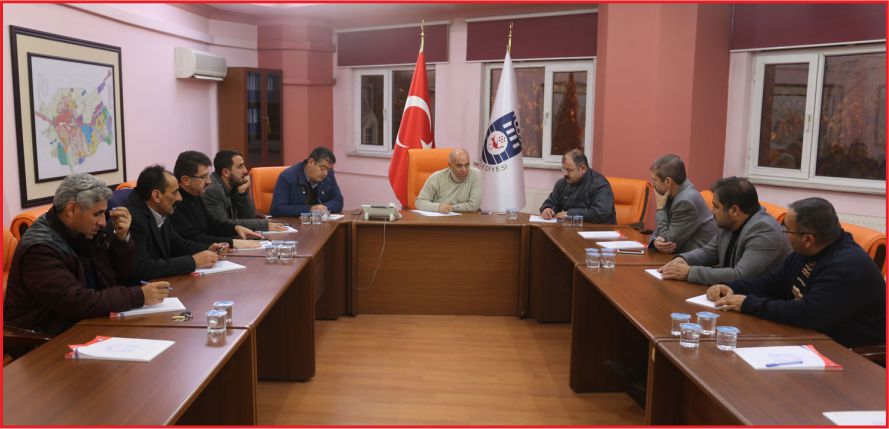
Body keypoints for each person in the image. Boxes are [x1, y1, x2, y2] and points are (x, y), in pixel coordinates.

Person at [4, 173, 170, 336]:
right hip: (45, 338)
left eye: (104, 213)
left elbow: (121, 274)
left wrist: (121, 238)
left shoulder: (84, 232)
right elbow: (75, 302)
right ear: (71, 209)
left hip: (87, 321)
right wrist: (138, 296)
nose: (103, 222)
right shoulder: (40, 248)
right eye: (97, 214)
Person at [707, 198, 885, 348]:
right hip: (806, 336)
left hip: (848, 352)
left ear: (807, 239)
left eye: (787, 230)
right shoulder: (808, 252)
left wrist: (748, 304)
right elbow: (771, 283)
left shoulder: (847, 266)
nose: (784, 235)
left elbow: (809, 313)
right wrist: (731, 287)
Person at [658, 177, 790, 284]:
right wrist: (683, 259)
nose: (712, 211)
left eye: (716, 207)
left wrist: (689, 272)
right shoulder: (730, 222)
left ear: (734, 210)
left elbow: (741, 275)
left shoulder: (764, 231)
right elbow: (709, 252)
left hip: (759, 300)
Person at [125, 165, 224, 280]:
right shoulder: (133, 219)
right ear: (156, 196)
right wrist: (193, 262)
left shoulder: (158, 208)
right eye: (175, 192)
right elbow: (143, 267)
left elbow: (177, 244)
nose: (180, 198)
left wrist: (207, 249)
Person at [169, 151, 262, 248]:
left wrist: (236, 228)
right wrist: (232, 243)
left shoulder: (195, 195)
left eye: (208, 175)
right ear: (186, 180)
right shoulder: (174, 204)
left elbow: (212, 224)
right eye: (203, 177)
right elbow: (192, 238)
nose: (209, 181)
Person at [203, 150, 286, 232]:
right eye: (240, 167)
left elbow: (249, 217)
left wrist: (242, 194)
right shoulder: (213, 190)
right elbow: (223, 224)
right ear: (226, 172)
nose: (245, 171)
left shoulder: (232, 185)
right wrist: (264, 225)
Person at [648, 154, 716, 254]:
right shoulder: (672, 193)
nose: (653, 184)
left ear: (668, 181)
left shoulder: (685, 201)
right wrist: (654, 242)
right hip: (681, 254)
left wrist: (660, 209)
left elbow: (667, 241)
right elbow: (659, 233)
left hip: (697, 258)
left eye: (655, 180)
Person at [540, 149, 616, 224]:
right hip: (572, 228)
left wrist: (569, 214)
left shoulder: (600, 184)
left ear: (582, 169)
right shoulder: (562, 183)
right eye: (563, 169)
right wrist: (547, 209)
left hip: (600, 229)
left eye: (569, 170)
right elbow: (551, 203)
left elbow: (600, 213)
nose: (565, 174)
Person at [270, 146, 344, 217]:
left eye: (328, 169)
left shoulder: (329, 174)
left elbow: (338, 201)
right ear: (311, 162)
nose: (325, 173)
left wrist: (322, 208)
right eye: (322, 168)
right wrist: (309, 209)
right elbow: (277, 209)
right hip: (295, 223)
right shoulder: (287, 177)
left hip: (320, 222)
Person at [414, 148, 482, 213]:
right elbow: (419, 202)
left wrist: (450, 208)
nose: (464, 170)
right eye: (459, 166)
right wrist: (439, 207)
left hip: (466, 219)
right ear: (450, 165)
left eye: (467, 165)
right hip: (440, 219)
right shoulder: (436, 178)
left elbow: (473, 206)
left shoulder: (475, 175)